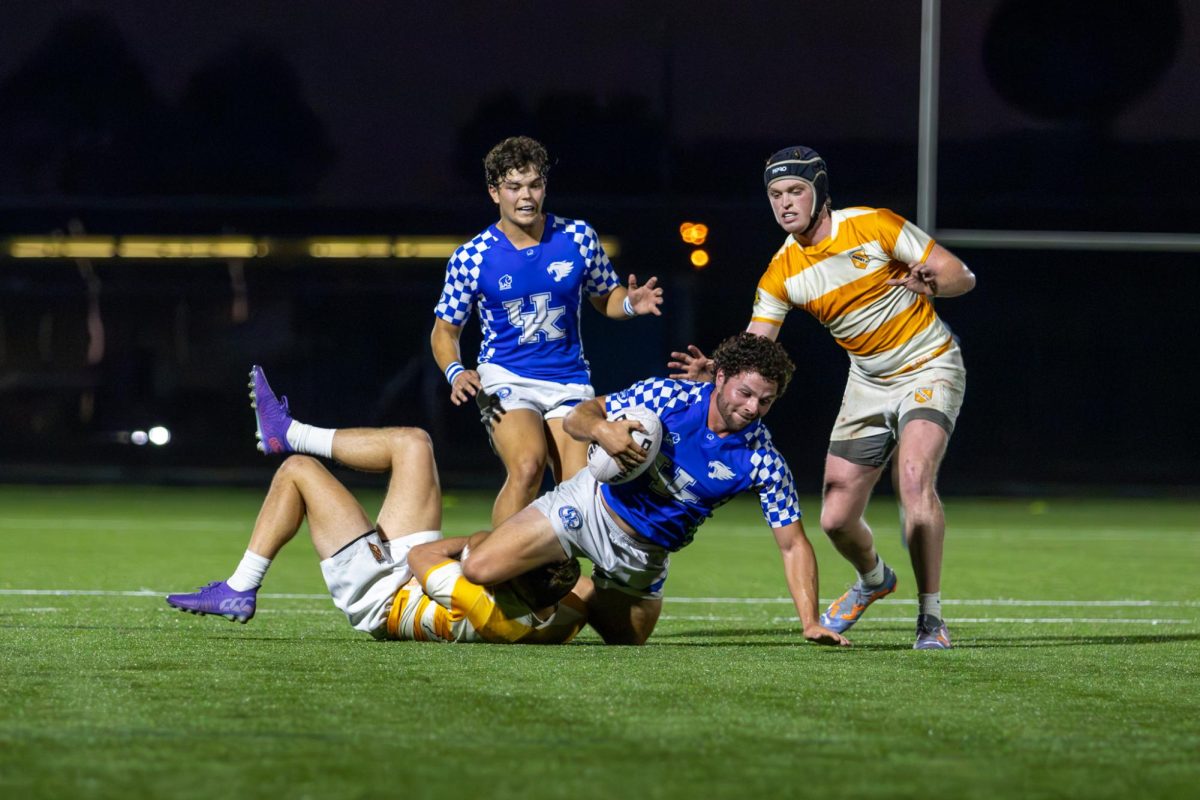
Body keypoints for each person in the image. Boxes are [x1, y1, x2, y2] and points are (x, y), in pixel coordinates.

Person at [669, 146, 976, 650]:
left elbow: (962, 275)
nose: (785, 203)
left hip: (929, 365)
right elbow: (756, 349)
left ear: (819, 192)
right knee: (835, 519)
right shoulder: (781, 271)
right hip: (869, 382)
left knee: (915, 478)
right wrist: (719, 373)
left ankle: (930, 618)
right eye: (775, 195)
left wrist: (934, 285)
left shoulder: (875, 225)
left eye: (795, 191)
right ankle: (875, 579)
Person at [461, 332, 851, 648]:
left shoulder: (763, 461)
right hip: (588, 507)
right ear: (720, 378)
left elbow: (793, 545)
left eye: (765, 401)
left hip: (643, 554)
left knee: (627, 640)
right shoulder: (668, 397)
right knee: (479, 569)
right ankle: (487, 543)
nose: (752, 408)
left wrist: (810, 622)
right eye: (744, 394)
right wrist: (603, 431)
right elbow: (579, 416)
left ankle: (578, 587)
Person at [165, 366, 590, 644]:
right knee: (413, 443)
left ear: (513, 577)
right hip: (414, 579)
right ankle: (288, 431)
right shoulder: (543, 611)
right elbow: (583, 594)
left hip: (381, 593)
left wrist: (489, 540)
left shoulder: (485, 608)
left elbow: (426, 556)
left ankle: (240, 586)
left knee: (298, 471)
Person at [430, 135, 664, 528]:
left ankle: (552, 581)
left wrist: (629, 303)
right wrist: (456, 372)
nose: (526, 196)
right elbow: (444, 331)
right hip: (505, 378)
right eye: (514, 186)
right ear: (494, 192)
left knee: (579, 493)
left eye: (535, 185)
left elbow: (605, 297)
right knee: (528, 465)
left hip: (569, 383)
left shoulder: (577, 237)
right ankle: (497, 574)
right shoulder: (471, 257)